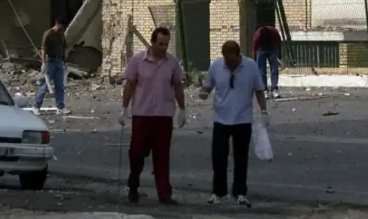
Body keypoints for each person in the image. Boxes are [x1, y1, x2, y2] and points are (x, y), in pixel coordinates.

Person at [119, 27, 186, 205]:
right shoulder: (137, 61)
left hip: (164, 115)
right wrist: (124, 108)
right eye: (160, 44)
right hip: (142, 114)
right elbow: (130, 85)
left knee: (162, 155)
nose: (163, 47)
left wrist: (182, 109)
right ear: (153, 42)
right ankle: (133, 186)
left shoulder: (172, 63)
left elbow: (178, 85)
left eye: (166, 44)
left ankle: (164, 193)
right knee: (136, 154)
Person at [199, 40, 268, 206]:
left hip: (242, 118)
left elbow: (259, 90)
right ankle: (219, 192)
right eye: (226, 61)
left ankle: (240, 192)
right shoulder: (216, 66)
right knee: (218, 155)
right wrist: (203, 92)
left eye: (232, 61)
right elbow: (207, 87)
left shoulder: (250, 67)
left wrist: (264, 111)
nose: (229, 64)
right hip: (221, 118)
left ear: (238, 56)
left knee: (241, 157)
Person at [34, 16, 71, 115]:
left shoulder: (62, 35)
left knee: (60, 86)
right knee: (45, 85)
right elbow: (43, 49)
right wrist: (44, 63)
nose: (63, 29)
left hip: (59, 62)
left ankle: (60, 107)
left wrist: (64, 62)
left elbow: (63, 49)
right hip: (50, 62)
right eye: (62, 26)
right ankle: (36, 106)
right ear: (58, 24)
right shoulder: (48, 34)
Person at [252, 25, 282, 99]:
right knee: (261, 69)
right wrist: (254, 60)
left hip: (272, 47)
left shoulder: (274, 33)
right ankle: (264, 90)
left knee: (274, 68)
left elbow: (279, 43)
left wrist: (279, 54)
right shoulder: (257, 35)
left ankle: (274, 89)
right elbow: (254, 49)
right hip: (261, 49)